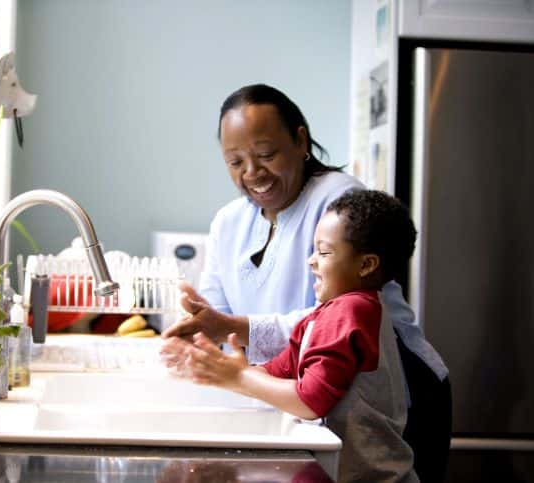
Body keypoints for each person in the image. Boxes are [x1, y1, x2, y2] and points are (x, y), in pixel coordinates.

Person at [160, 84, 450, 482]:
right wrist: (198, 330)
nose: (251, 173)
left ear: (299, 140)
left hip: (391, 394)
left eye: (265, 155)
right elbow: (219, 315)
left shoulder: (337, 200)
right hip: (309, 396)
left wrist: (234, 342)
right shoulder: (228, 221)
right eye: (235, 161)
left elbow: (328, 323)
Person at [168, 189, 420, 482]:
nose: (312, 260)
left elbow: (310, 402)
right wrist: (214, 370)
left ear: (366, 265)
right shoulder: (325, 315)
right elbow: (279, 373)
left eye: (324, 252)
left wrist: (238, 377)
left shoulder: (351, 310)